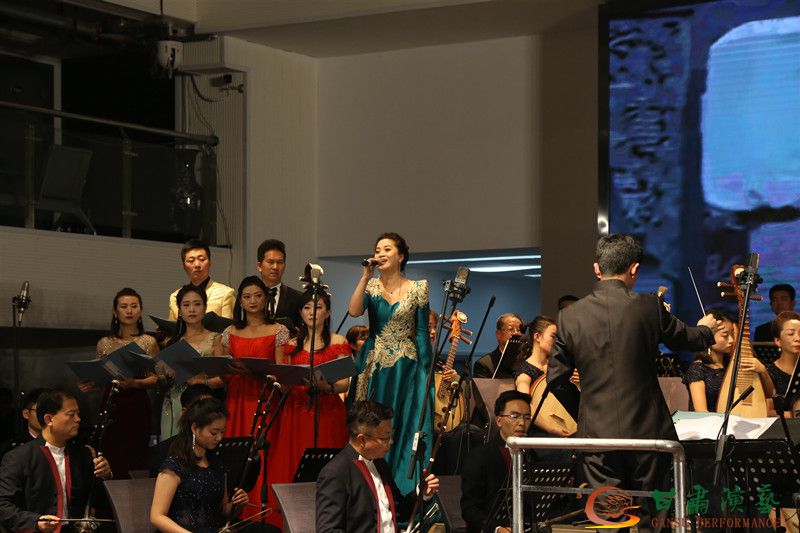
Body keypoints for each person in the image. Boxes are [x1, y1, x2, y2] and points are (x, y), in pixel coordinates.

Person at [547, 234, 721, 531]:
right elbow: (684, 338)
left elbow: (556, 380)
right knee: (652, 520)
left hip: (597, 439)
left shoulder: (569, 316)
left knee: (608, 521)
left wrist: (585, 411)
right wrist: (705, 330)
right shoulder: (650, 306)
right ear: (634, 269)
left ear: (596, 269)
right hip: (648, 435)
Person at [347, 232, 435, 496]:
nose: (381, 254)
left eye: (387, 249)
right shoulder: (371, 286)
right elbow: (354, 311)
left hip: (405, 367)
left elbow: (422, 332)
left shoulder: (418, 287)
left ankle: (401, 491)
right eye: (378, 250)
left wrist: (425, 372)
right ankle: (368, 488)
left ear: (401, 255)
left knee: (403, 423)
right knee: (369, 423)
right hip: (374, 366)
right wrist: (365, 277)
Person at [213, 276, 289, 523]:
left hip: (265, 398)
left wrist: (258, 372)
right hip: (236, 399)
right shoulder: (229, 332)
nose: (252, 301)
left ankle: (261, 513)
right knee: (235, 453)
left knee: (262, 454)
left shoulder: (279, 330)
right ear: (240, 301)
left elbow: (283, 374)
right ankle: (232, 514)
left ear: (266, 299)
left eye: (257, 295)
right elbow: (223, 375)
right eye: (247, 297)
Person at [268, 291, 351, 518]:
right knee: (295, 463)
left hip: (327, 410)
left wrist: (326, 386)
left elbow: (343, 384)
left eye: (318, 307)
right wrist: (280, 379)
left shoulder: (339, 342)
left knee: (328, 465)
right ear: (300, 312)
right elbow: (286, 384)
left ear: (328, 312)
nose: (311, 312)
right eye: (306, 308)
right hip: (296, 410)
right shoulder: (291, 344)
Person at [315, 400, 440, 532]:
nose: (391, 441)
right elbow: (327, 530)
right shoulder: (335, 472)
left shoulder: (380, 464)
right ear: (362, 439)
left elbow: (399, 511)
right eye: (385, 438)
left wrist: (421, 492)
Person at [0, 389, 112, 533]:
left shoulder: (83, 454)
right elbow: (3, 505)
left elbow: (99, 502)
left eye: (78, 414)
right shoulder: (18, 457)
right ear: (49, 419)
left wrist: (106, 476)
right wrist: (36, 522)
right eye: (71, 414)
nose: (78, 419)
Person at [150, 397, 249, 533]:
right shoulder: (175, 466)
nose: (219, 438)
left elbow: (223, 511)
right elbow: (157, 517)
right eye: (214, 433)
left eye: (222, 432)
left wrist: (238, 504)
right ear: (195, 428)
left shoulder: (218, 465)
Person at [90, 288, 159, 479]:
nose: (129, 311)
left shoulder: (148, 341)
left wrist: (134, 383)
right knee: (109, 451)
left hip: (137, 402)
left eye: (134, 306)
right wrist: (90, 383)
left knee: (136, 453)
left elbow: (157, 378)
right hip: (111, 401)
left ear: (141, 311)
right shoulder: (104, 343)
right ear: (115, 311)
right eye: (124, 306)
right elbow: (100, 375)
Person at [461, 390, 533, 533]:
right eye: (515, 416)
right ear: (499, 420)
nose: (521, 423)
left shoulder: (532, 455)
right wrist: (497, 529)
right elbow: (469, 508)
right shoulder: (479, 456)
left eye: (527, 417)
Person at [160, 285, 222, 440]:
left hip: (202, 402)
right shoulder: (173, 342)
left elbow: (222, 379)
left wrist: (199, 380)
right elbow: (162, 379)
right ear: (180, 310)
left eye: (197, 304)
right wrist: (166, 375)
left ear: (205, 308)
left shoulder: (216, 338)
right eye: (186, 305)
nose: (192, 309)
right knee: (173, 446)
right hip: (175, 402)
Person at [684, 309, 773, 412]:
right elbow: (701, 411)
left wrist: (762, 370)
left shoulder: (733, 364)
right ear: (709, 337)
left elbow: (769, 394)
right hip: (710, 421)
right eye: (725, 335)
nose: (731, 340)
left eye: (732, 334)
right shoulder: (698, 369)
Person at [512, 316, 571, 436]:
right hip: (539, 431)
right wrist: (550, 429)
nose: (557, 342)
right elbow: (525, 404)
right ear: (537, 337)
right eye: (553, 337)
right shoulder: (525, 371)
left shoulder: (558, 366)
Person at [149, 383, 214, 477]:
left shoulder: (220, 448)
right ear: (184, 411)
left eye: (212, 409)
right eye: (202, 409)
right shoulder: (164, 451)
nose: (209, 416)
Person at [168, 239, 235, 320]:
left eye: (202, 259)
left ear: (209, 263)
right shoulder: (175, 297)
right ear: (184, 266)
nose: (197, 265)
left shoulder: (225, 294)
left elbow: (228, 327)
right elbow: (172, 327)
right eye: (191, 261)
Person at [256, 239, 303, 332]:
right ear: (259, 266)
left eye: (280, 262)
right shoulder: (246, 297)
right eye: (270, 262)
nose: (275, 267)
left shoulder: (298, 298)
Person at [473, 313, 524, 379]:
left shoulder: (527, 360)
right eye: (510, 329)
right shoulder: (484, 364)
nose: (516, 333)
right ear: (498, 334)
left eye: (519, 330)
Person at [766, 311, 800, 405]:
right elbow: (768, 410)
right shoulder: (769, 373)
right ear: (778, 341)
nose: (798, 338)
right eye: (791, 334)